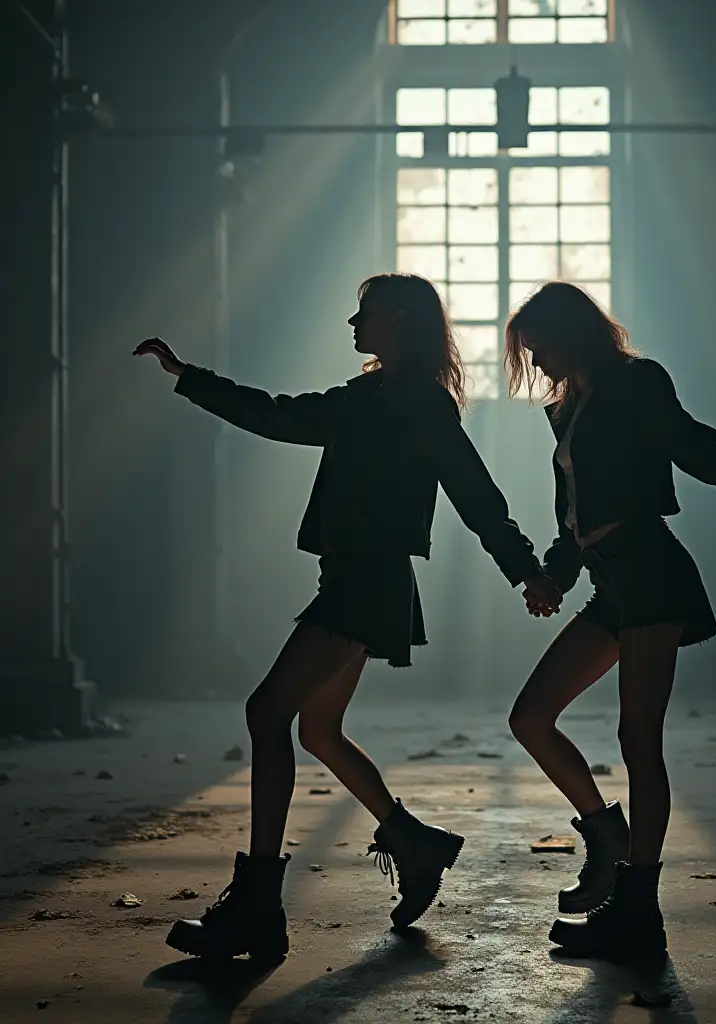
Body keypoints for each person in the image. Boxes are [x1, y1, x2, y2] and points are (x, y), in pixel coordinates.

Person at [133, 272, 561, 962]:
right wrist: (189, 376)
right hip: (354, 578)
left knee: (267, 714)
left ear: (394, 321)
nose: (351, 323)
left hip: (367, 582)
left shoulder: (422, 402)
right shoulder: (368, 395)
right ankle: (415, 844)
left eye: (363, 312)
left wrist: (525, 570)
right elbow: (279, 416)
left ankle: (257, 907)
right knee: (319, 729)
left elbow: (475, 493)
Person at [504, 282, 716, 967]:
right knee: (531, 717)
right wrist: (556, 574)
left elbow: (687, 441)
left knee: (638, 738)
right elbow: (570, 515)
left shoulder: (636, 381)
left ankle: (639, 910)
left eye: (540, 347)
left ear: (568, 332)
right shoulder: (565, 408)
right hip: (611, 579)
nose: (539, 364)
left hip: (651, 569)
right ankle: (607, 837)